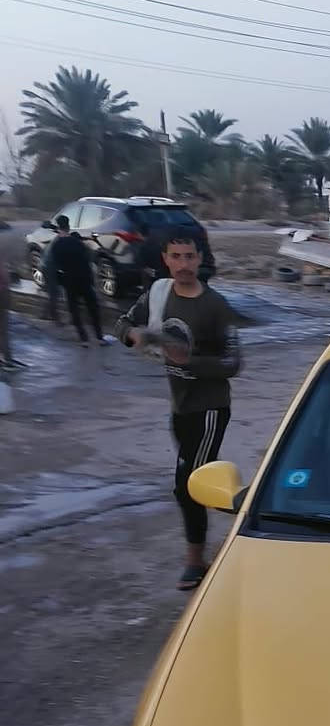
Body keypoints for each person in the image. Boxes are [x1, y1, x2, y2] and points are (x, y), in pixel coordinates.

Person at [116, 228, 240, 591]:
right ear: (165, 260)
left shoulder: (216, 306)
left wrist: (190, 361)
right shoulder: (158, 295)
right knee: (198, 480)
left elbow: (233, 362)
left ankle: (195, 563)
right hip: (180, 406)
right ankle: (249, 510)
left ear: (200, 259)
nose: (183, 264)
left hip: (210, 408)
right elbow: (123, 322)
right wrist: (134, 336)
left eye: (189, 256)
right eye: (176, 257)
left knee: (187, 486)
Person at [47, 214, 105, 344]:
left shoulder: (56, 245)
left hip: (68, 279)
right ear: (68, 226)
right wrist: (91, 280)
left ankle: (83, 339)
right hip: (83, 279)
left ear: (59, 227)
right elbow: (87, 261)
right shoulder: (77, 243)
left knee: (74, 309)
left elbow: (56, 265)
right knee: (92, 307)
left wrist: (61, 281)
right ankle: (99, 337)